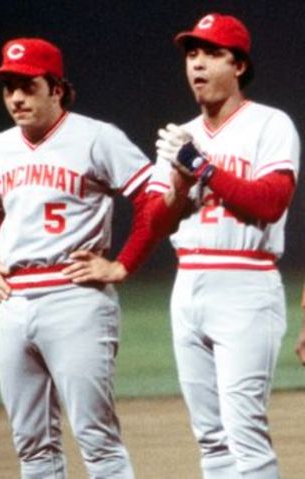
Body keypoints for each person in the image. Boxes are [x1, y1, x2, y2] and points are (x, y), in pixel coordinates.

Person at [0, 37, 157, 478]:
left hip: (76, 298)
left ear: (56, 88)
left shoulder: (96, 137)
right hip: (14, 301)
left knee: (97, 441)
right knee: (32, 447)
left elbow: (154, 198)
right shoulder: (0, 146)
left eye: (27, 85)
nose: (15, 98)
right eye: (7, 87)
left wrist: (123, 264)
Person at [146, 13, 300, 478]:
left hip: (247, 282)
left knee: (245, 435)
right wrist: (177, 179)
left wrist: (206, 168)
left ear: (239, 65)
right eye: (192, 54)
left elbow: (271, 201)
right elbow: (155, 221)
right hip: (188, 282)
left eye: (212, 53)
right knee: (210, 440)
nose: (197, 64)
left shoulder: (270, 124)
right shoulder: (180, 137)